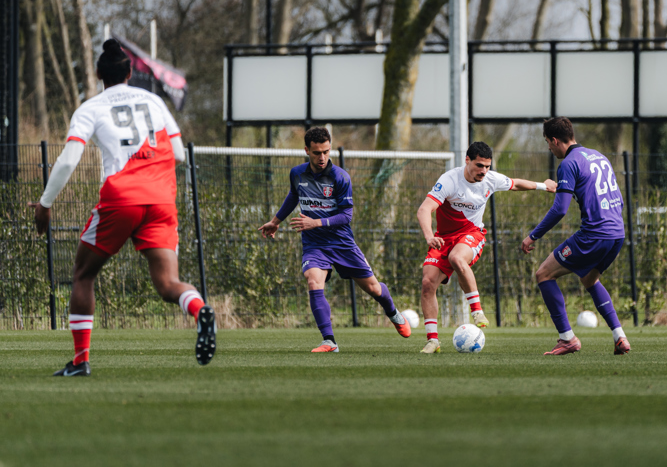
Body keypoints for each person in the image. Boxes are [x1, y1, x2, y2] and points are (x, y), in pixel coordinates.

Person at [30, 40, 216, 377]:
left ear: (99, 74)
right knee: (167, 283)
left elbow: (69, 158)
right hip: (160, 200)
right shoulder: (154, 101)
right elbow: (178, 154)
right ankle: (200, 308)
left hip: (122, 198)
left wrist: (45, 204)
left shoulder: (91, 107)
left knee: (83, 275)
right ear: (131, 72)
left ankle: (80, 360)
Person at [258, 127, 411, 352]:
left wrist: (315, 222)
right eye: (317, 152)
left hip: (341, 243)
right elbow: (293, 195)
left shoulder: (340, 177)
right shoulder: (297, 173)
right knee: (313, 280)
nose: (322, 158)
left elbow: (346, 215)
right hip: (314, 244)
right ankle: (329, 341)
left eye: (326, 152)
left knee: (373, 289)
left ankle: (394, 314)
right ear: (306, 151)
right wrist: (276, 221)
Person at [417, 141, 556, 353]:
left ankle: (477, 311)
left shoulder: (490, 179)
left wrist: (543, 186)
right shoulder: (449, 180)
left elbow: (516, 183)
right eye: (479, 165)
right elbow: (424, 209)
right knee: (427, 283)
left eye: (487, 166)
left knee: (457, 258)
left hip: (472, 234)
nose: (484, 171)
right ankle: (433, 340)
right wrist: (429, 236)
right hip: (442, 238)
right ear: (467, 160)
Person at [521, 117, 630, 356]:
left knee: (543, 274)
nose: (549, 148)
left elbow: (560, 209)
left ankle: (567, 338)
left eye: (548, 143)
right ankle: (619, 336)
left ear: (555, 140)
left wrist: (532, 236)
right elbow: (618, 199)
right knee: (590, 280)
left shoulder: (568, 163)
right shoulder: (598, 156)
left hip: (594, 235)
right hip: (617, 233)